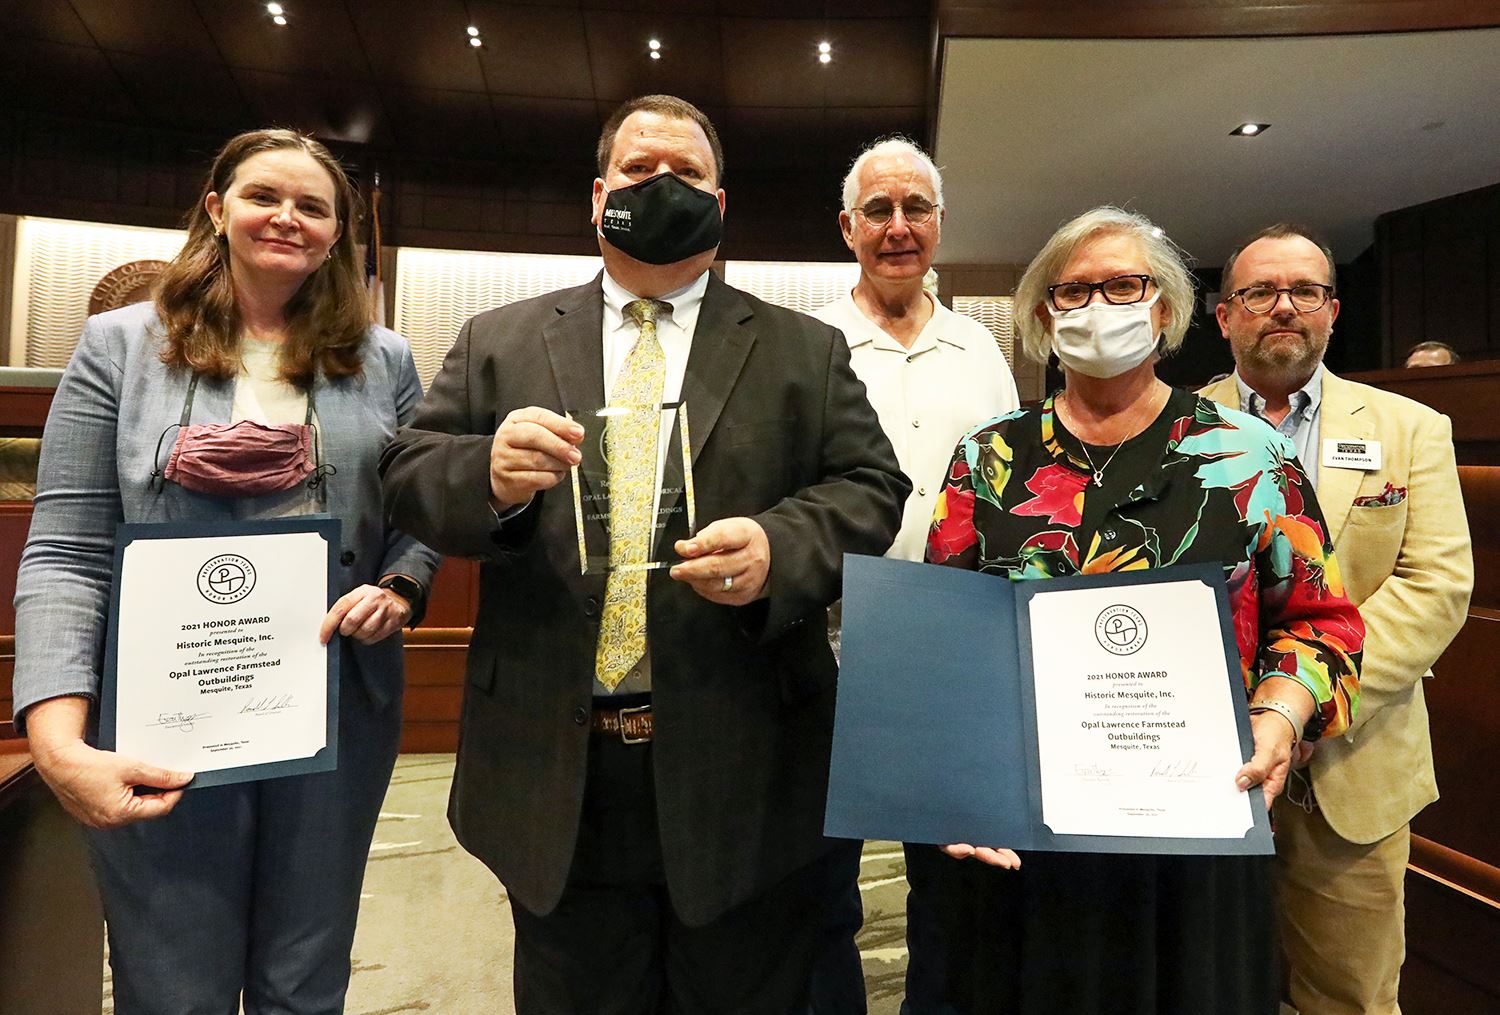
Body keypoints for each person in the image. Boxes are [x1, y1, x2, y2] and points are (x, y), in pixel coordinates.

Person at [378, 94, 908, 1011]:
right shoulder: (497, 340)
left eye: (688, 173)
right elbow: (409, 474)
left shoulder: (802, 349)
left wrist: (779, 548)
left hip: (745, 762)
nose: (662, 186)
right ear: (596, 196)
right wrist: (489, 476)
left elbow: (872, 488)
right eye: (637, 170)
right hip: (553, 768)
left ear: (720, 200)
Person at [12, 128, 440, 1014]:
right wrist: (56, 740)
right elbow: (66, 547)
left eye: (313, 206)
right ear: (217, 208)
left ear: (337, 233)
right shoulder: (119, 345)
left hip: (332, 716)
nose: (287, 217)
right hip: (164, 718)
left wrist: (398, 586)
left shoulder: (385, 358)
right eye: (263, 196)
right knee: (174, 984)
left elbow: (421, 516)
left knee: (305, 980)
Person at [925, 206, 1364, 1015]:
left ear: (1163, 308)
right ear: (1044, 314)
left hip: (1193, 823)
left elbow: (1321, 621)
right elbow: (943, 635)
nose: (1098, 306)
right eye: (1073, 290)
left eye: (1123, 285)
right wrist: (954, 778)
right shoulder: (989, 456)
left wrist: (1279, 715)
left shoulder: (1249, 455)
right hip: (1025, 827)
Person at [1203, 223, 1472, 1015]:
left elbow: (1436, 586)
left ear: (1332, 310)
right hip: (1209, 764)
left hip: (1354, 767)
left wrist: (1307, 703)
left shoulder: (1410, 430)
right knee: (1207, 983)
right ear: (1225, 316)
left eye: (1305, 291)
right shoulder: (1173, 425)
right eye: (1259, 292)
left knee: (1349, 998)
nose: (1283, 306)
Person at [809, 136, 1017, 1014]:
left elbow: (1014, 489)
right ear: (848, 226)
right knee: (821, 883)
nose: (899, 228)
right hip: (822, 648)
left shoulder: (982, 347)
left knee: (953, 884)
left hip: (952, 651)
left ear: (939, 223)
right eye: (880, 211)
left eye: (917, 209)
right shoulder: (807, 342)